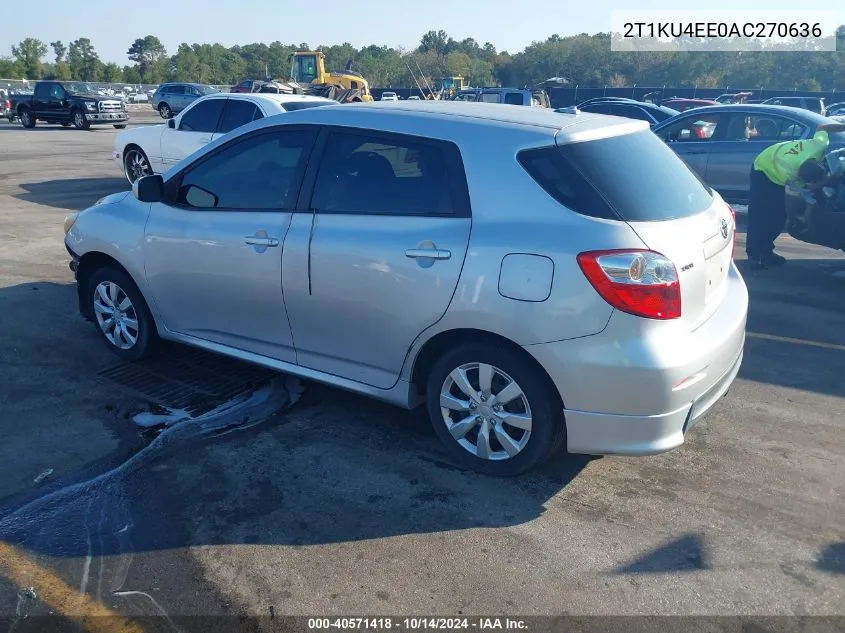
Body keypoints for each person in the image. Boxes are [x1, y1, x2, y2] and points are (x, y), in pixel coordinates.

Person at [746, 129, 831, 269]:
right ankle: (754, 256)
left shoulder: (819, 144)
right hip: (764, 170)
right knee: (761, 216)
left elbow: (823, 127)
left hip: (778, 158)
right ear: (801, 177)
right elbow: (799, 196)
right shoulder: (790, 174)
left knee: (778, 216)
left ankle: (766, 252)